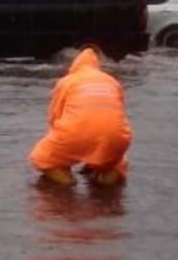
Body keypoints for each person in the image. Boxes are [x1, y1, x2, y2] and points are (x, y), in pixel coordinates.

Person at [28, 47, 133, 187]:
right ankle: (106, 182)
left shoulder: (67, 81)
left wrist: (60, 151)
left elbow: (55, 116)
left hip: (76, 132)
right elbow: (115, 114)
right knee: (115, 161)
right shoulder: (112, 81)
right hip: (117, 136)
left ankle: (67, 182)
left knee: (40, 157)